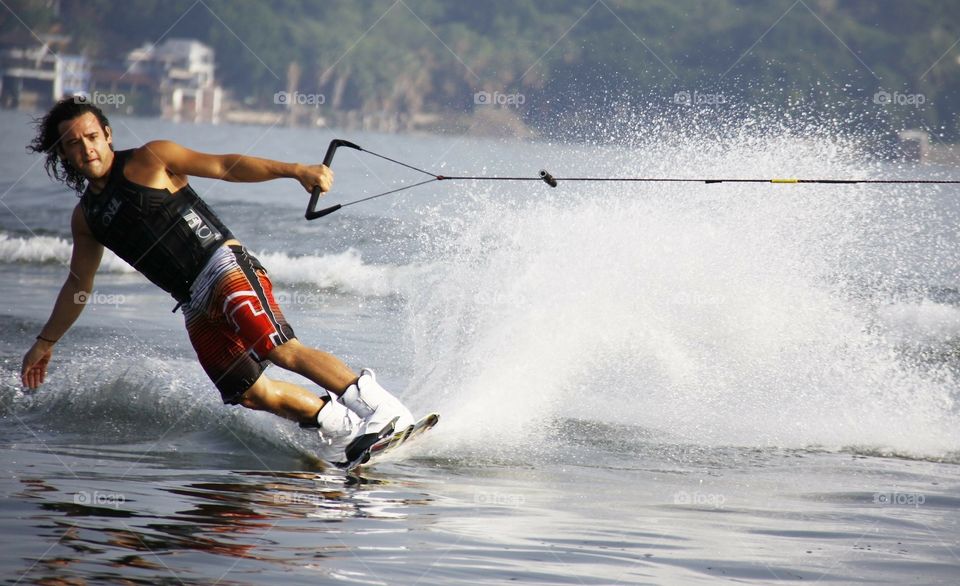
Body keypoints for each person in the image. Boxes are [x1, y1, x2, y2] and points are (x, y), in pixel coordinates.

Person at [19, 97, 414, 468]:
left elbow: (227, 165)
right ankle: (342, 429)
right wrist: (45, 342)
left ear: (107, 135)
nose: (87, 148)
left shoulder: (151, 159)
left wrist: (295, 171)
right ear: (63, 154)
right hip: (193, 303)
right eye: (73, 144)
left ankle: (383, 410)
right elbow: (77, 284)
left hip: (223, 266)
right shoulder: (87, 217)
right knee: (252, 394)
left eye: (92, 137)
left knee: (279, 349)